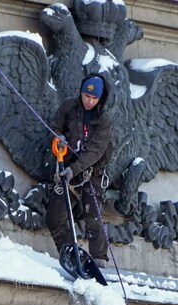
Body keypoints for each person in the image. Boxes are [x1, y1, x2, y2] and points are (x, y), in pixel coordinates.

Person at [46, 74, 113, 269]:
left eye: (94, 98)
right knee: (54, 216)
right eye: (86, 96)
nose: (89, 101)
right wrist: (58, 138)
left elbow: (95, 152)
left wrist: (73, 170)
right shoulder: (68, 107)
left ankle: (99, 260)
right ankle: (71, 254)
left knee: (93, 217)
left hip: (91, 173)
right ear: (81, 93)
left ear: (100, 99)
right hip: (66, 168)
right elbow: (54, 126)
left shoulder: (104, 120)